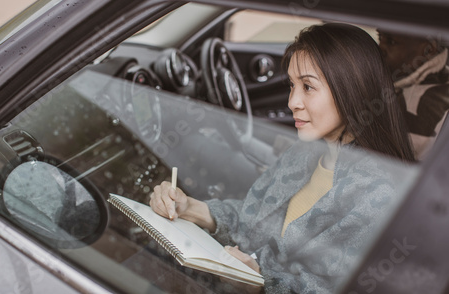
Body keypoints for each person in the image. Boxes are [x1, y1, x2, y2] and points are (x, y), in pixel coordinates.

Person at [150, 23, 415, 293]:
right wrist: (190, 208)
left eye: (308, 87)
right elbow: (252, 219)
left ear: (351, 90)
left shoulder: (377, 196)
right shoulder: (306, 152)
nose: (292, 102)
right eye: (292, 85)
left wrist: (258, 283)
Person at [377, 30, 449, 159]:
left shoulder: (419, 103)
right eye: (380, 37)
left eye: (392, 42)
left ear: (429, 50)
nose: (379, 48)